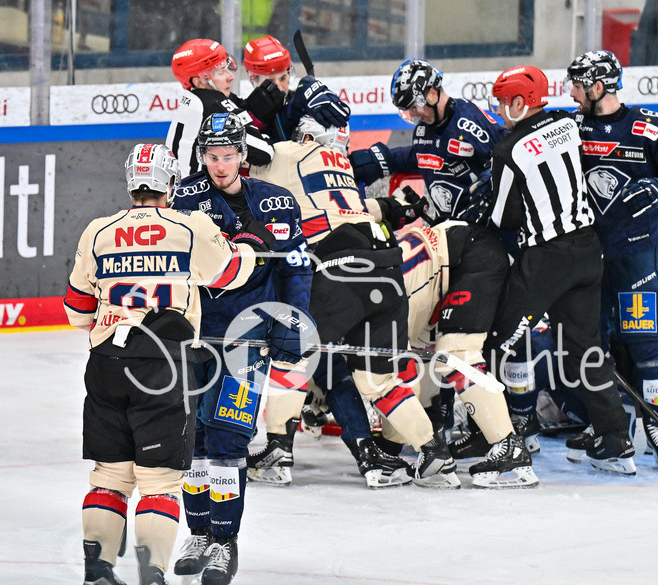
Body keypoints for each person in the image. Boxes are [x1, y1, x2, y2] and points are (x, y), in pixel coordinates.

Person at [64, 144, 273, 585]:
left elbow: (76, 312)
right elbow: (231, 274)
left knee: (109, 477)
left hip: (106, 362)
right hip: (163, 363)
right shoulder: (190, 226)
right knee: (159, 482)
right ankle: (154, 583)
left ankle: (98, 579)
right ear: (170, 183)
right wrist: (248, 244)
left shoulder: (97, 230)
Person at [251, 115, 462, 489]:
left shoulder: (286, 152)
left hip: (338, 268)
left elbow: (248, 163)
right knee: (378, 380)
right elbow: (365, 208)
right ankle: (434, 454)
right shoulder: (343, 165)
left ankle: (277, 452)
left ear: (305, 137)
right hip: (385, 270)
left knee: (292, 353)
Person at [168, 114, 313, 585]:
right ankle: (199, 532)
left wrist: (294, 322)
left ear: (243, 155)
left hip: (247, 336)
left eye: (228, 156)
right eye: (211, 157)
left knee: (228, 438)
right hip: (194, 335)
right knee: (193, 440)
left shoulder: (276, 201)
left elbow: (296, 265)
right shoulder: (185, 199)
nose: (220, 165)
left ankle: (224, 541)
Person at [479, 65, 637, 475]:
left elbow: (500, 219)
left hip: (546, 260)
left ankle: (495, 434)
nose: (498, 110)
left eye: (501, 102)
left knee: (496, 341)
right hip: (587, 251)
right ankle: (615, 438)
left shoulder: (507, 151)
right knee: (586, 348)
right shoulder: (568, 124)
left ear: (519, 102)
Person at [566, 50, 658, 471]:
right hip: (587, 256)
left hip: (637, 253)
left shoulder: (649, 126)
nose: (571, 91)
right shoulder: (569, 127)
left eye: (578, 83)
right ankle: (604, 424)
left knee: (646, 342)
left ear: (598, 86)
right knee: (593, 343)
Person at [395, 218, 538, 488]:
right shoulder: (377, 277)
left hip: (474, 255)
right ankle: (435, 446)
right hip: (458, 260)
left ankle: (509, 446)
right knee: (428, 355)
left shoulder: (386, 286)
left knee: (456, 354)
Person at [348, 58, 506, 224]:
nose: (414, 113)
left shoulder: (471, 122)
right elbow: (423, 155)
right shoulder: (423, 131)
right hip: (451, 228)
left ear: (432, 93)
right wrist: (383, 158)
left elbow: (511, 151)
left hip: (486, 228)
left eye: (415, 106)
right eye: (409, 110)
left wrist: (491, 178)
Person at [165, 38, 276, 177]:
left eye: (227, 67)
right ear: (199, 82)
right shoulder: (214, 104)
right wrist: (265, 133)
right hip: (197, 196)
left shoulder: (193, 99)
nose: (231, 77)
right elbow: (265, 153)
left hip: (178, 193)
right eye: (220, 71)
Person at [242, 34, 351, 142]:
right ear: (253, 79)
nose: (279, 87)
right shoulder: (244, 113)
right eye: (270, 82)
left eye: (283, 78)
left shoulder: (303, 100)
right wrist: (295, 107)